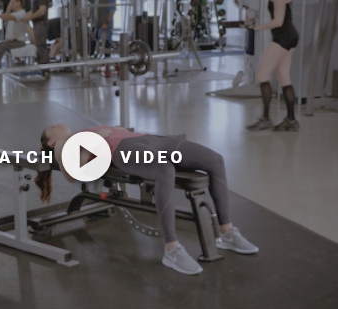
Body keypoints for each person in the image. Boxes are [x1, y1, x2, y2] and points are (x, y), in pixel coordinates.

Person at [35, 124, 259, 275]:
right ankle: (172, 249)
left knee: (215, 160)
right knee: (165, 170)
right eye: (51, 129)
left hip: (149, 140)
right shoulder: (63, 143)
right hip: (123, 149)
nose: (57, 124)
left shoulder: (82, 130)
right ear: (50, 142)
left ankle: (227, 232)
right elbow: (71, 173)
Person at [245, 0, 299, 131]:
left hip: (283, 38)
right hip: (289, 36)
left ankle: (266, 119)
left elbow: (278, 21)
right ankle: (291, 121)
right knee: (283, 78)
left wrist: (257, 27)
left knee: (261, 75)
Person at [0, 0, 28, 72]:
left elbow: (7, 17)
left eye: (13, 3)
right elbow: (7, 14)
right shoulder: (14, 13)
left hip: (17, 42)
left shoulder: (22, 13)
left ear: (19, 3)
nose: (11, 5)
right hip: (10, 42)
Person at [22, 0, 48, 66]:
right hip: (36, 23)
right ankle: (41, 67)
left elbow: (42, 11)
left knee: (40, 46)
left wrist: (29, 17)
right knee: (38, 46)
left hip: (41, 23)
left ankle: (44, 70)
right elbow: (33, 11)